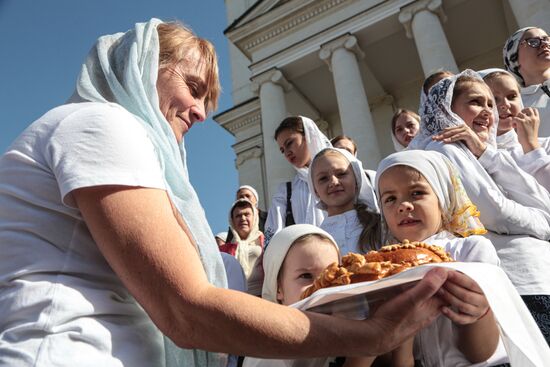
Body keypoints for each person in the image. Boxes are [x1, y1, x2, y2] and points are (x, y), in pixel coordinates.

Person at [0, 18, 454, 367]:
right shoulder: (102, 123)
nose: (199, 112)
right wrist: (372, 336)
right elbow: (187, 309)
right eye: (193, 88)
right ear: (142, 69)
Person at [410, 69, 550, 344]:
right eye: (476, 102)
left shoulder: (485, 152)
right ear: (447, 109)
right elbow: (497, 213)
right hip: (514, 282)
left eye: (490, 103)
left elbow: (542, 200)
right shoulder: (444, 150)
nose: (489, 111)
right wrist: (544, 224)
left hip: (538, 275)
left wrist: (486, 153)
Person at [376, 150, 507, 366]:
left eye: (416, 193)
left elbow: (481, 353)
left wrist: (477, 312)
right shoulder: (381, 265)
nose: (403, 205)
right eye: (390, 198)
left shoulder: (469, 250)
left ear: (442, 197)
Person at [244, 224, 405, 367]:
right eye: (306, 276)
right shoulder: (267, 349)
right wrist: (368, 349)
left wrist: (402, 327)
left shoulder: (354, 324)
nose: (321, 288)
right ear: (278, 287)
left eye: (332, 276)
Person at [263, 116, 332, 244]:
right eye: (282, 150)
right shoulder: (285, 191)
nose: (287, 153)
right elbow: (273, 235)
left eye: (290, 143)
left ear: (308, 137)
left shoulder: (341, 174)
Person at [481, 68, 550, 191]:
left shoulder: (546, 144)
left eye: (512, 96)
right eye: (494, 99)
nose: (505, 104)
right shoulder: (477, 159)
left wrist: (531, 145)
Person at [308, 147, 380, 254]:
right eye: (323, 178)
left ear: (356, 179)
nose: (333, 182)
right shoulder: (314, 239)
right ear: (315, 190)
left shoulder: (379, 225)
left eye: (341, 174)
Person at [503, 27, 550, 137]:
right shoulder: (516, 106)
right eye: (533, 42)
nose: (544, 44)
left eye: (546, 39)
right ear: (514, 58)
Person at [220, 199, 264, 295]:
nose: (243, 218)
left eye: (247, 214)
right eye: (238, 216)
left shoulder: (266, 242)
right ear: (232, 221)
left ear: (255, 218)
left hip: (263, 298)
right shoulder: (223, 250)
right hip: (236, 299)